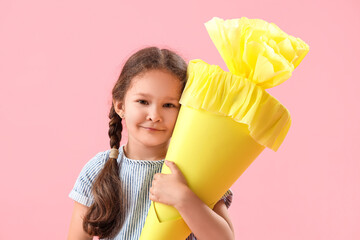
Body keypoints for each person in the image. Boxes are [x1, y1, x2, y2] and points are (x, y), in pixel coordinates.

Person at [67, 47, 235, 240]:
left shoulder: (197, 169)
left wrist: (184, 198)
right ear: (120, 106)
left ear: (185, 111)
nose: (154, 116)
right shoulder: (97, 169)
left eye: (169, 105)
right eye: (143, 101)